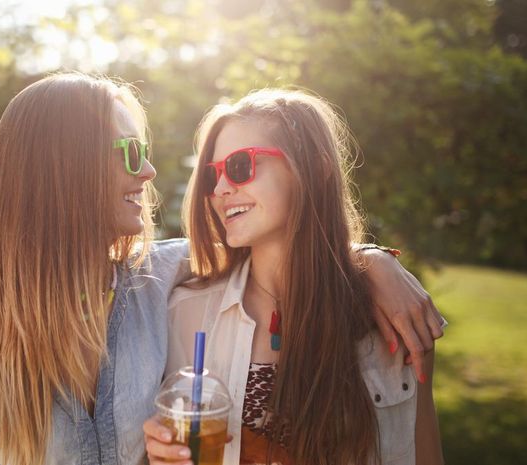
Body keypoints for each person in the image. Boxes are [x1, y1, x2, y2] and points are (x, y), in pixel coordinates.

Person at [0, 74, 441, 465]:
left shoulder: (158, 282)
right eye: (132, 153)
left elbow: (281, 244)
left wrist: (368, 263)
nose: (150, 173)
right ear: (65, 171)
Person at [143, 89, 445, 465]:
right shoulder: (184, 314)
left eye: (240, 166)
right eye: (212, 176)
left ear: (315, 169)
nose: (220, 189)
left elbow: (424, 454)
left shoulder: (395, 316)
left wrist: (374, 262)